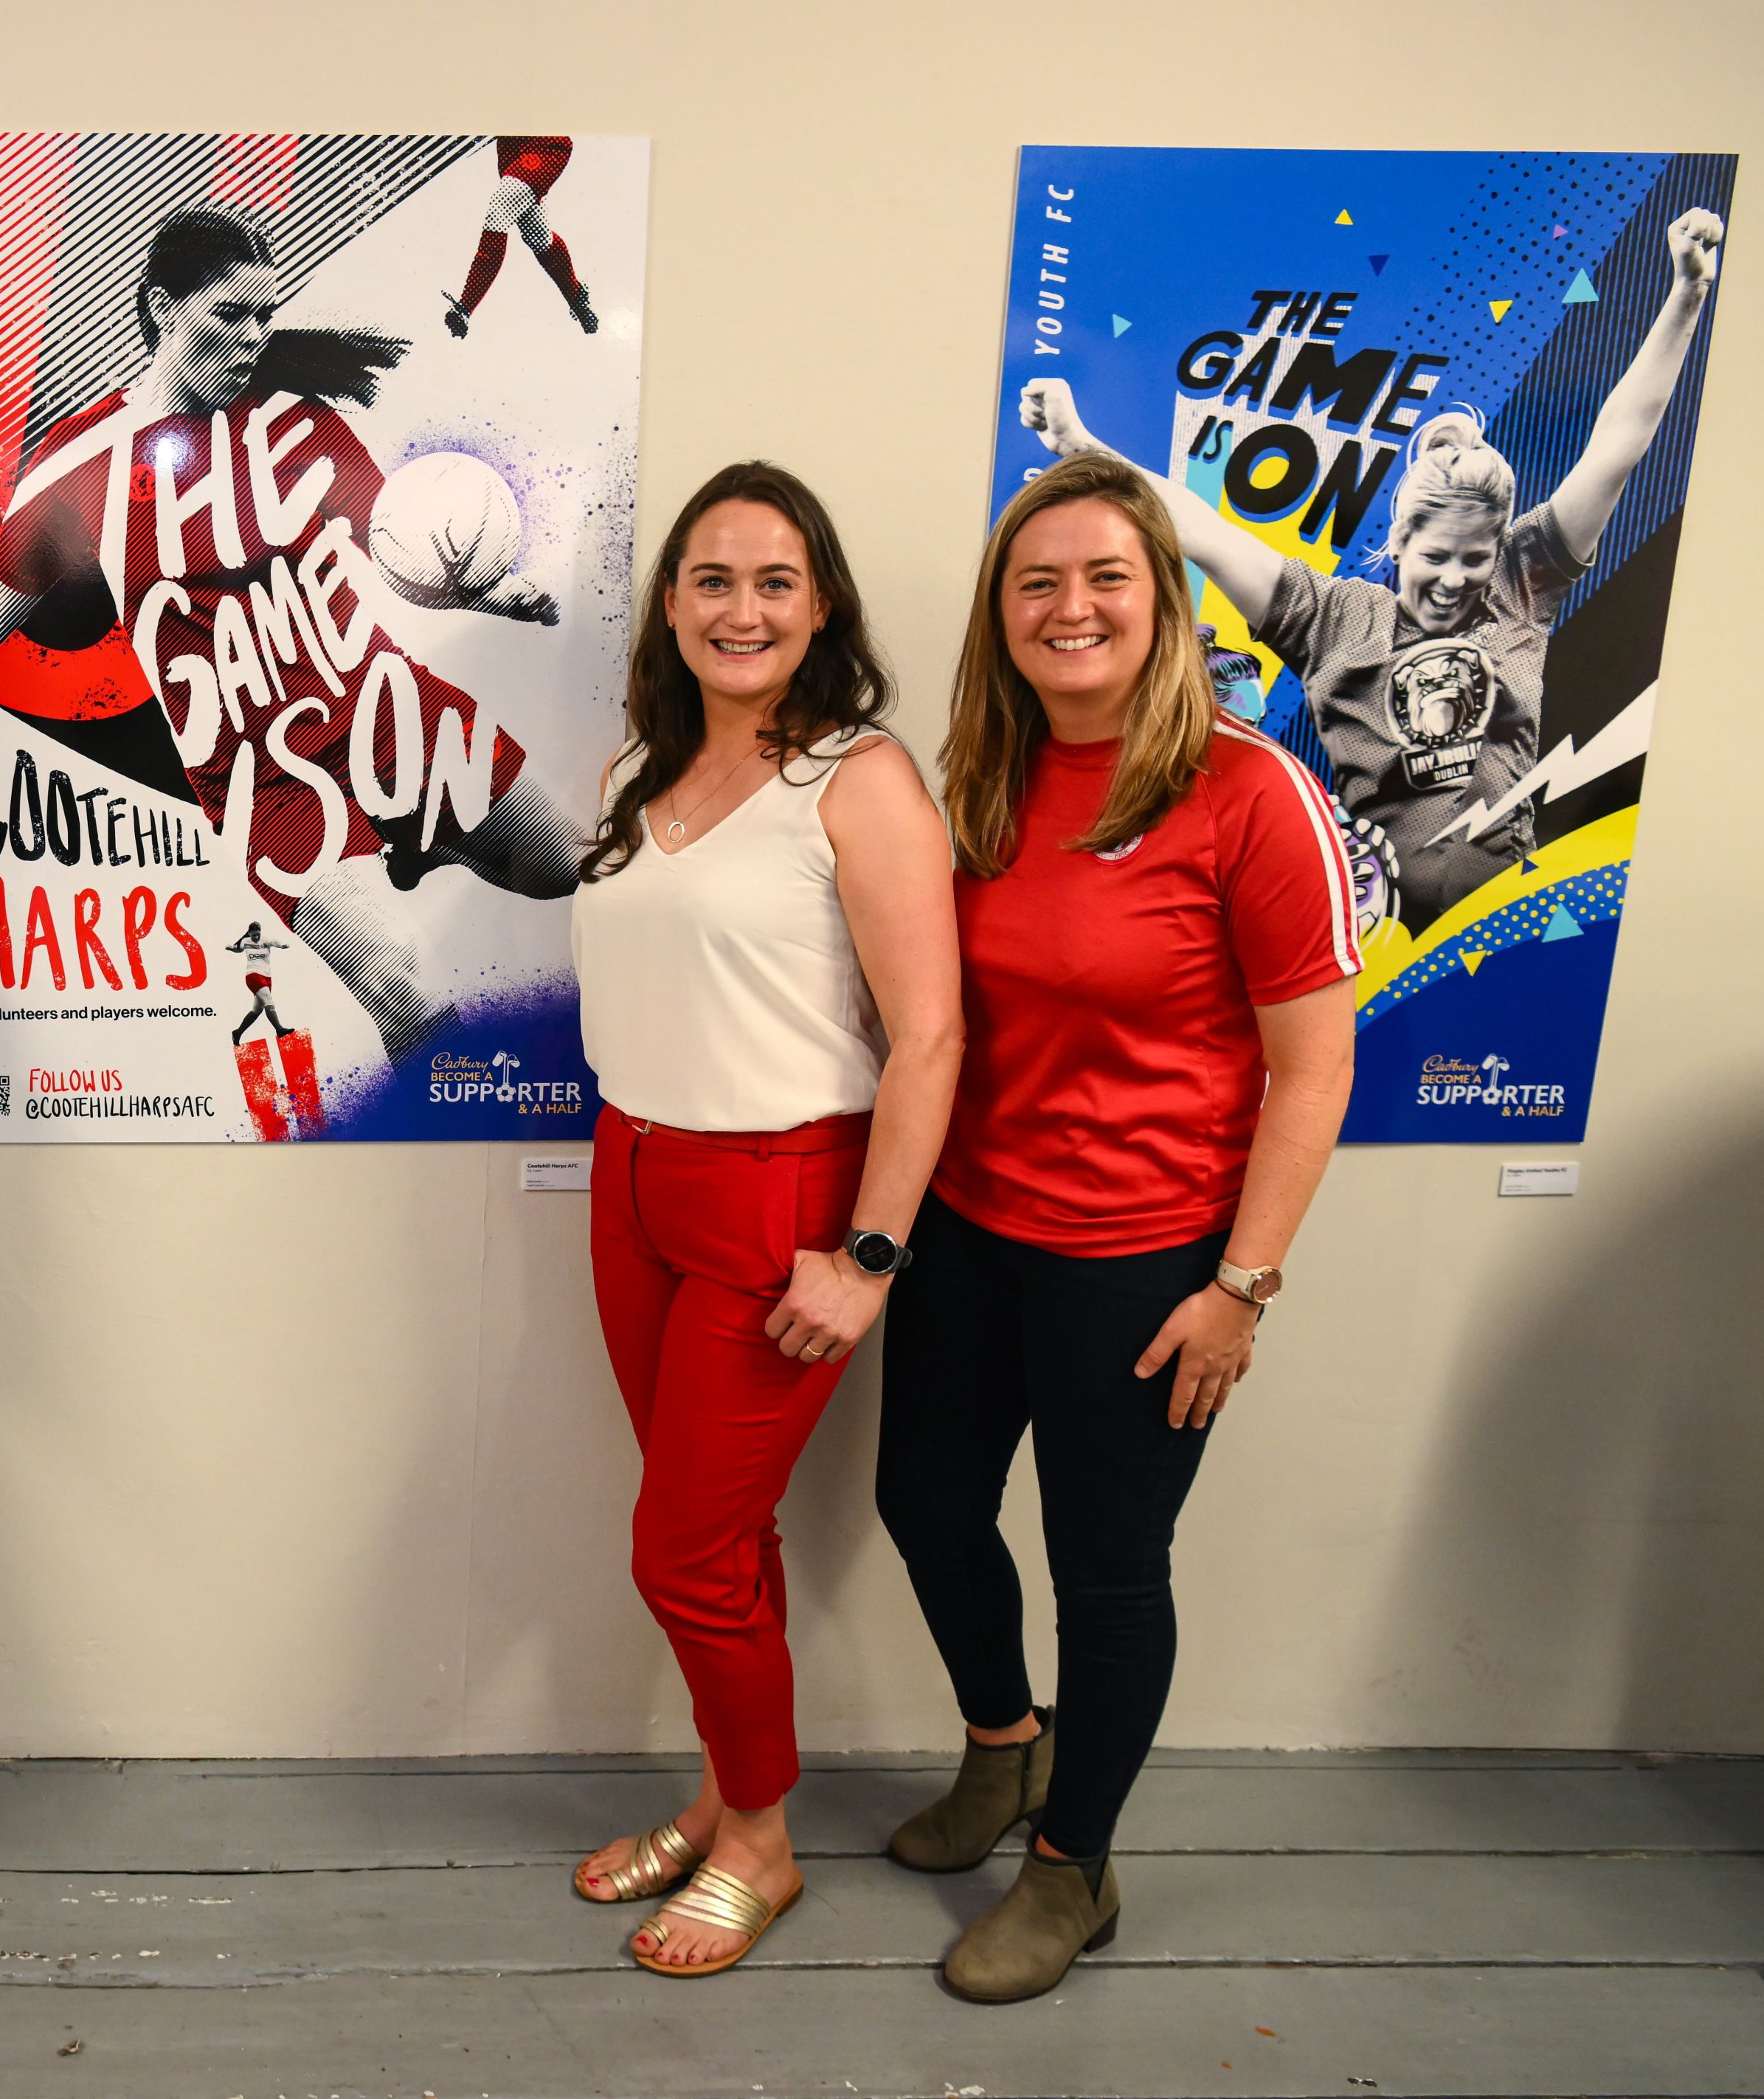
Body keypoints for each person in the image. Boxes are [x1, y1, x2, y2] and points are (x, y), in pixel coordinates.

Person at [876, 452, 1360, 2003]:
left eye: (1102, 578)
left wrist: (1242, 1287)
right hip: (970, 1225)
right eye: (1035, 583)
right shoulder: (977, 776)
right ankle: (1004, 1749)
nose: (1067, 606)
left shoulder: (1244, 790)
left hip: (1145, 1259)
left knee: (1104, 1564)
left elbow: (1311, 1062)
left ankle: (1072, 1864)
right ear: (997, 616)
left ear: (1161, 600)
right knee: (925, 1505)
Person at [567, 463, 962, 1978]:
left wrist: (865, 1253)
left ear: (820, 610)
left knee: (678, 1548)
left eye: (773, 582)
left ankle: (760, 1842)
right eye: (711, 579)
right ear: (669, 604)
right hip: (632, 1177)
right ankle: (728, 1793)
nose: (740, 608)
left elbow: (926, 1037)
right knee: (712, 1537)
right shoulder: (633, 777)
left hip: (779, 1189)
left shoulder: (857, 779)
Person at [0, 206, 578, 1063]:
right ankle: (422, 1155)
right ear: (164, 310)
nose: (253, 338)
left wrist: (495, 597)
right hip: (257, 776)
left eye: (265, 317)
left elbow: (400, 556)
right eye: (229, 316)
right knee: (398, 976)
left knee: (566, 868)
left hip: (385, 714)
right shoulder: (86, 464)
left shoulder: (299, 427)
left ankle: (422, 839)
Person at [1017, 207, 1725, 924]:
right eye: (1437, 556)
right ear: (1401, 541)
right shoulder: (1332, 617)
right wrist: (1079, 445)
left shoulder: (1522, 585)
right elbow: (1196, 528)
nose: (1455, 577)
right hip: (1365, 940)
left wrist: (1686, 294)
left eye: (1475, 557)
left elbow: (1618, 445)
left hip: (1506, 929)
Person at [443, 135, 598, 338]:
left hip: (545, 142)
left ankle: (465, 307)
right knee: (537, 234)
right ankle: (576, 295)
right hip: (511, 146)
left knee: (501, 209)